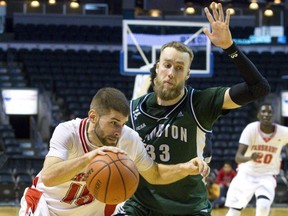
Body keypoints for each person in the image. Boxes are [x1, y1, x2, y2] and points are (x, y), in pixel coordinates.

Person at [114, 2, 270, 215]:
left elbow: (259, 88)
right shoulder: (132, 109)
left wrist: (230, 48)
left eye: (179, 68)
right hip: (141, 207)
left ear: (187, 75)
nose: (171, 72)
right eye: (167, 65)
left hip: (189, 208)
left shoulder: (201, 102)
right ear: (157, 67)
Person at [18, 87, 209, 216]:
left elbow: (155, 174)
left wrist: (185, 168)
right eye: (114, 123)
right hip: (48, 208)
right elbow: (48, 177)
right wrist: (89, 158)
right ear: (93, 116)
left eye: (123, 123)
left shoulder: (128, 138)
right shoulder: (68, 132)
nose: (119, 131)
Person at [225, 103, 288, 216]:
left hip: (267, 175)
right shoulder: (251, 129)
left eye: (269, 112)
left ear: (273, 115)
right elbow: (238, 158)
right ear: (258, 115)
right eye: (263, 111)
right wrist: (250, 157)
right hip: (246, 174)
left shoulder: (283, 132)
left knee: (263, 207)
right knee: (234, 210)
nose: (266, 114)